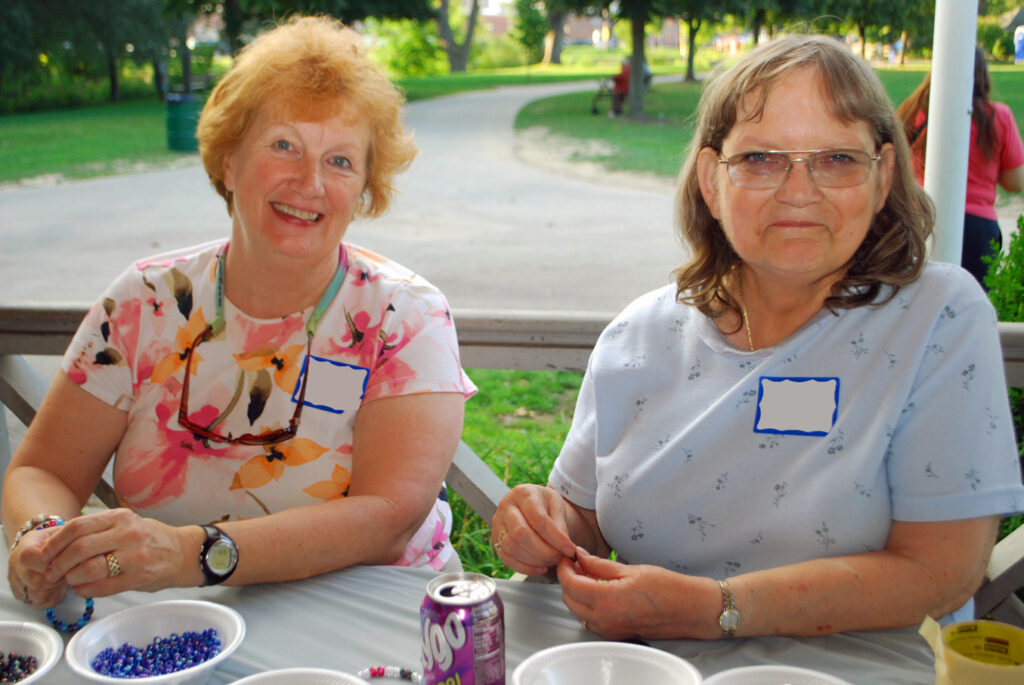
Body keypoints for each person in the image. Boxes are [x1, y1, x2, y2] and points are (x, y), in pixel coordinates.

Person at [491, 34, 1024, 641]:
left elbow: (940, 572)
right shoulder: (637, 336)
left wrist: (714, 608)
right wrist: (540, 519)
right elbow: (583, 516)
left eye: (838, 159)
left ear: (884, 179)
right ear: (710, 182)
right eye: (761, 159)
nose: (800, 191)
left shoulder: (938, 318)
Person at [5, 16, 476, 621]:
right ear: (229, 161)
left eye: (339, 161)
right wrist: (41, 538)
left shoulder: (403, 315)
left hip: (365, 616)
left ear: (363, 187)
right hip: (173, 617)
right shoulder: (147, 300)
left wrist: (188, 554)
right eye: (284, 146)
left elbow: (387, 518)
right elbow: (44, 468)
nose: (310, 183)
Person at [895, 48, 1024, 287]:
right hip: (977, 228)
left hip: (919, 220)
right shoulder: (998, 116)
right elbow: (1016, 182)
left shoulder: (913, 112)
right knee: (970, 307)